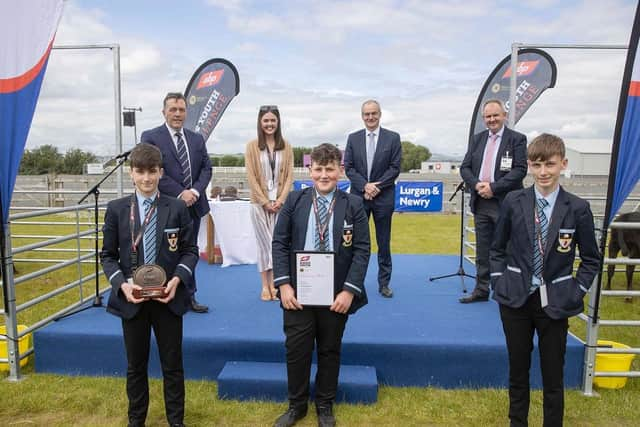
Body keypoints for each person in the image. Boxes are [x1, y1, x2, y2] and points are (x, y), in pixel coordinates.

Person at [490, 134, 600, 427]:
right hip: (516, 300)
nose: (543, 172)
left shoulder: (577, 208)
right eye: (537, 165)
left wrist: (576, 290)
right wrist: (499, 280)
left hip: (556, 302)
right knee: (518, 371)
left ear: (562, 164)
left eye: (549, 165)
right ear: (528, 166)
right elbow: (497, 248)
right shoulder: (514, 200)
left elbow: (591, 258)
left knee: (553, 375)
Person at [100, 143, 198, 427]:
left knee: (173, 366)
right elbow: (107, 255)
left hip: (168, 298)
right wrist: (121, 285)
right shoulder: (117, 209)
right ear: (131, 173)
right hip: (133, 300)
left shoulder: (177, 207)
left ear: (160, 172)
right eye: (140, 172)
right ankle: (136, 420)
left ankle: (176, 421)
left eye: (152, 172)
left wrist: (177, 279)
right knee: (135, 367)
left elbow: (190, 251)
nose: (146, 178)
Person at [272, 143, 370, 427]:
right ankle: (296, 406)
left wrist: (349, 290)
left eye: (330, 169)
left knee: (329, 349)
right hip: (298, 293)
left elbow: (363, 249)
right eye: (318, 169)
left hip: (336, 293)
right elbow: (279, 244)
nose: (324, 175)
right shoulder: (294, 200)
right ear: (310, 170)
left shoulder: (354, 204)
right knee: (297, 349)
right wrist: (284, 285)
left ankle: (325, 405)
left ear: (340, 171)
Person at [142, 92, 212, 313]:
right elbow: (152, 170)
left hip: (193, 205)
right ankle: (163, 293)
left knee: (189, 251)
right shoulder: (151, 137)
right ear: (164, 112)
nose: (177, 114)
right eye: (173, 109)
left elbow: (206, 169)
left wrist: (194, 192)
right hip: (166, 205)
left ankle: (189, 296)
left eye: (181, 109)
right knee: (165, 251)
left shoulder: (196, 139)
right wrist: (181, 193)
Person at [459, 99, 527, 303]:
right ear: (483, 119)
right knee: (483, 250)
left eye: (495, 115)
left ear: (504, 115)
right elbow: (465, 168)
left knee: (506, 249)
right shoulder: (477, 139)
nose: (492, 119)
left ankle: (505, 291)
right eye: (488, 116)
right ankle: (481, 290)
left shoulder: (517, 139)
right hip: (481, 203)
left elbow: (520, 170)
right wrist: (478, 185)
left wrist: (493, 187)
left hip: (505, 203)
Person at [344, 99, 401, 298]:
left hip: (383, 198)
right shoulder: (353, 138)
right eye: (366, 114)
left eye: (373, 113)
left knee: (383, 242)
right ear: (362, 116)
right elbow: (349, 167)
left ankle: (384, 283)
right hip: (359, 198)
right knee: (354, 242)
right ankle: (351, 282)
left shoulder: (393, 138)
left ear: (379, 114)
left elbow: (395, 167)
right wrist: (364, 186)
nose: (370, 117)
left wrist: (376, 187)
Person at [245, 105, 294, 301]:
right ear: (260, 122)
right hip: (259, 204)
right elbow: (251, 176)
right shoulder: (251, 146)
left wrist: (281, 200)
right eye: (266, 120)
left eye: (273, 120)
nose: (269, 124)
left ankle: (276, 284)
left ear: (278, 122)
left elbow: (290, 175)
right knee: (264, 243)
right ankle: (265, 286)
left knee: (277, 243)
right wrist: (265, 201)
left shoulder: (287, 146)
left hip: (280, 203)